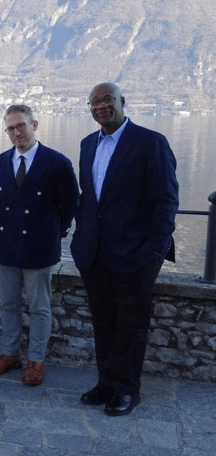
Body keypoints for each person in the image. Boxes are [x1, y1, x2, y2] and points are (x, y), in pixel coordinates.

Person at [71, 83, 178, 416]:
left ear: (122, 102)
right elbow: (88, 198)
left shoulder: (150, 142)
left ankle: (128, 390)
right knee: (103, 320)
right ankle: (106, 383)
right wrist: (80, 236)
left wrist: (155, 251)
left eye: (108, 100)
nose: (101, 106)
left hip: (136, 254)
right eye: (94, 102)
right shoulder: (87, 144)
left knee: (131, 325)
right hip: (94, 252)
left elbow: (166, 201)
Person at [0, 105, 78, 385]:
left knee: (39, 308)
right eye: (10, 128)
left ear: (34, 125)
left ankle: (36, 360)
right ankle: (10, 354)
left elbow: (71, 203)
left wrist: (56, 232)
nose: (16, 132)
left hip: (39, 246)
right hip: (4, 245)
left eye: (21, 125)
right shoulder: (0, 161)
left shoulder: (57, 162)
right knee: (8, 305)